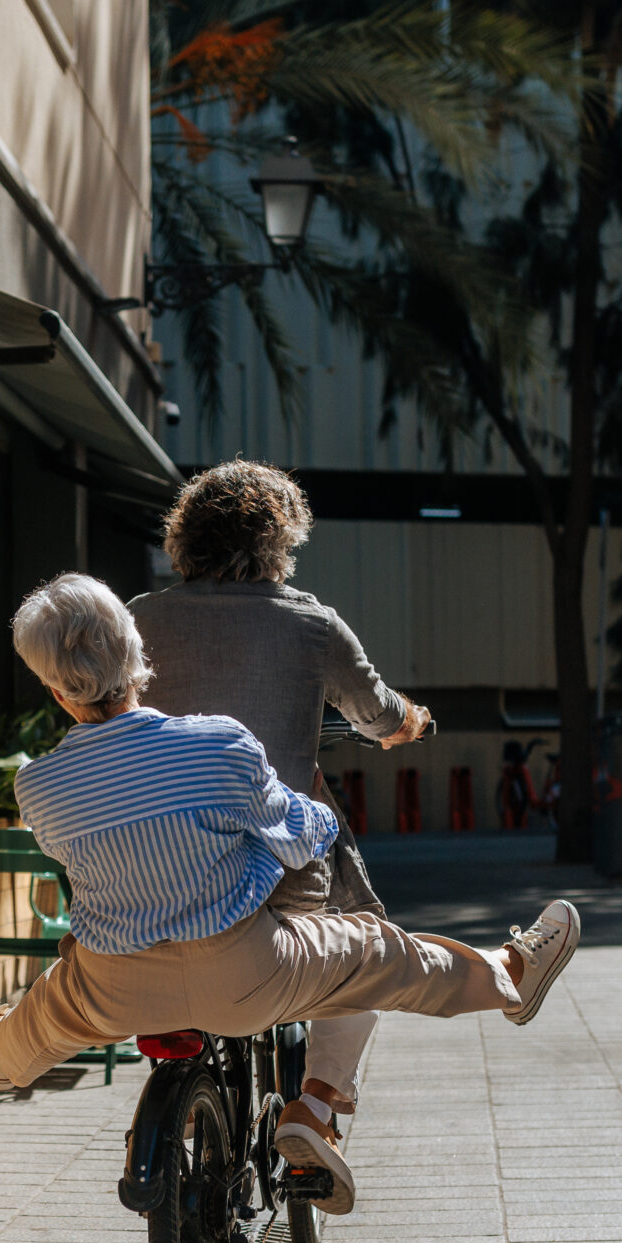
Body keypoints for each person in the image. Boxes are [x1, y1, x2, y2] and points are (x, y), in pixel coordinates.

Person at [0, 574, 580, 1215]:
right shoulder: (216, 743)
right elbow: (297, 832)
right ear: (136, 651)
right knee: (377, 951)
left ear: (54, 689)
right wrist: (321, 815)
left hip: (114, 986)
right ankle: (511, 976)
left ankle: (1, 1050)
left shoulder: (40, 786)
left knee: (50, 1009)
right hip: (244, 973)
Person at [128, 460, 431, 1155]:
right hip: (280, 873)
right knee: (366, 942)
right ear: (280, 542)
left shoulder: (138, 619)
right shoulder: (311, 623)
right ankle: (316, 1105)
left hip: (158, 870)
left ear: (184, 538)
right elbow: (379, 713)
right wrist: (412, 720)